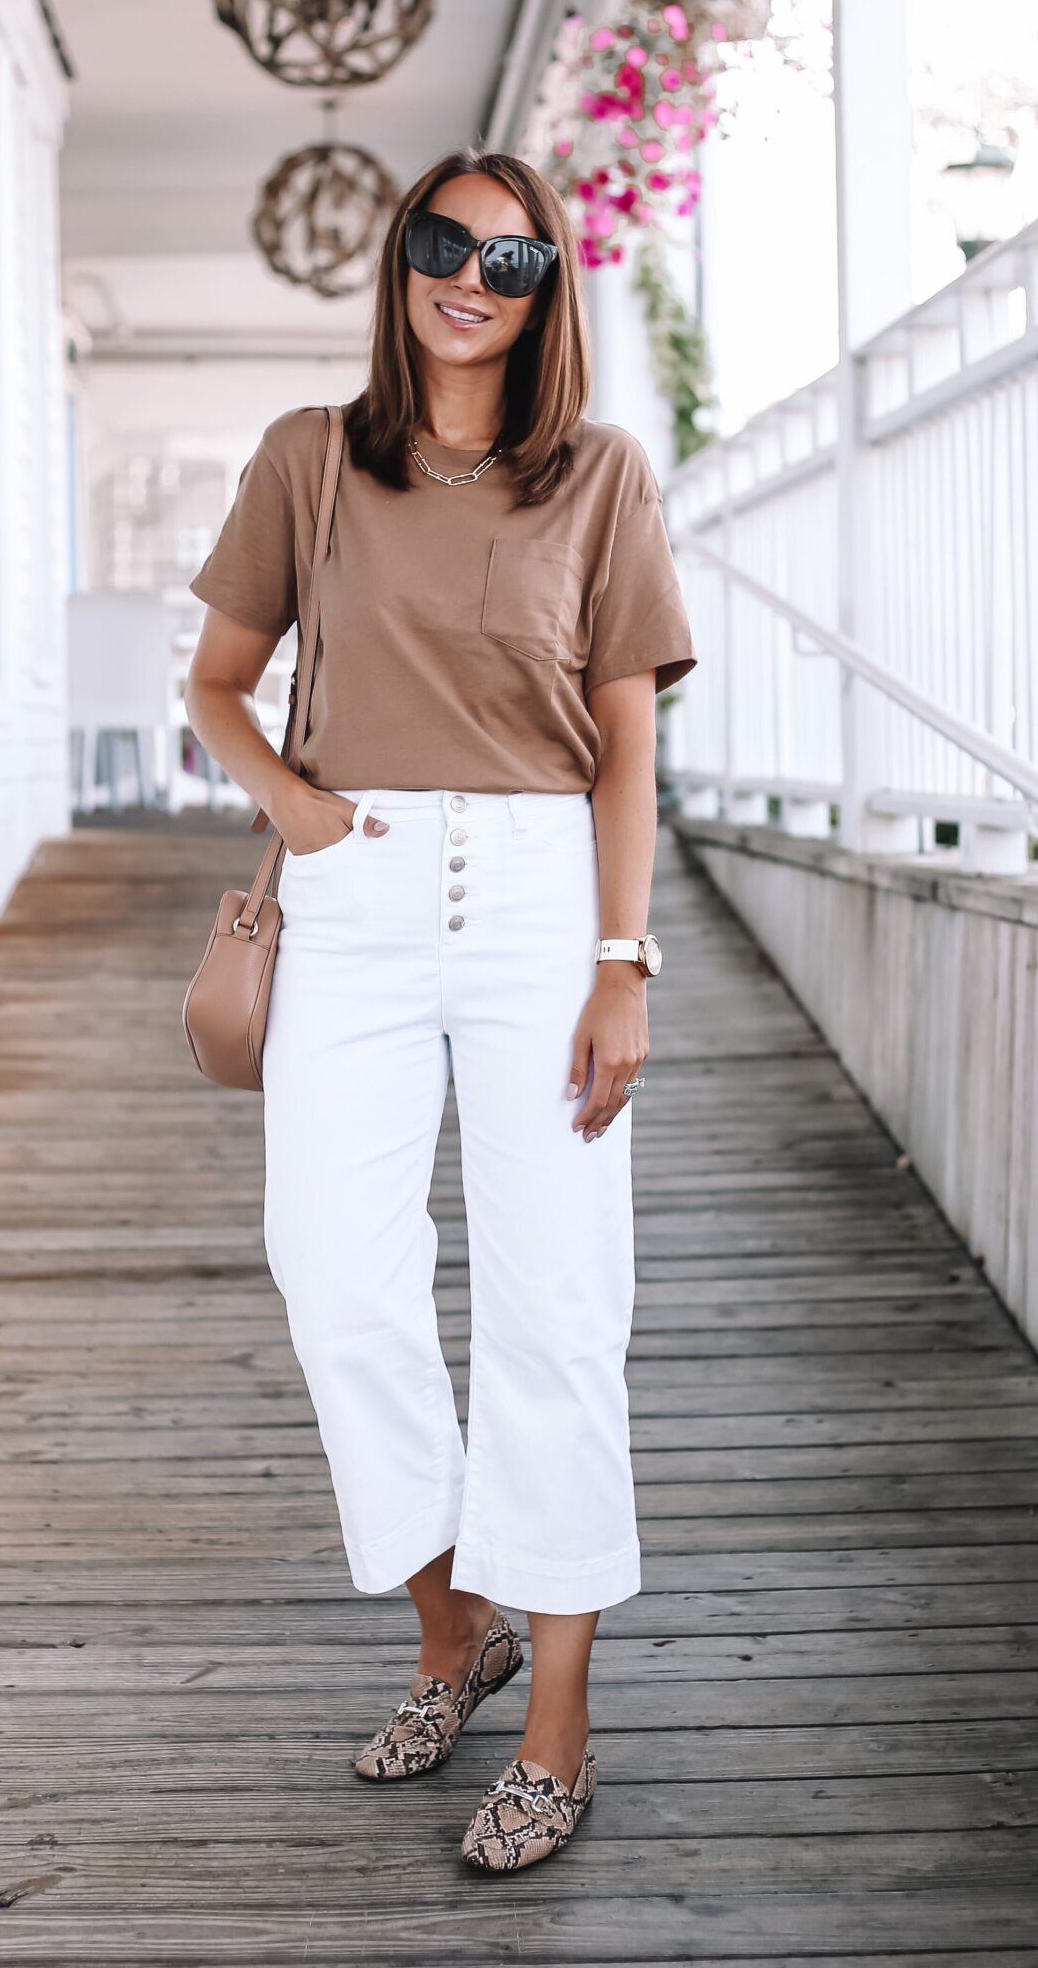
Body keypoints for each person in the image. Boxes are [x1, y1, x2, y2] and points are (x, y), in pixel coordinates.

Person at [186, 146, 695, 1874]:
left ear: (550, 289)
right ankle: (449, 1626)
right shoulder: (311, 460)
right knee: (335, 1273)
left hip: (547, 903)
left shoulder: (601, 477)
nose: (472, 276)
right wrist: (312, 815)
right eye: (442, 242)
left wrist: (624, 964)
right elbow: (212, 681)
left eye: (514, 256)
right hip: (356, 895)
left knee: (556, 1308)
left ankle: (558, 1725)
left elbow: (627, 744)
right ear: (398, 258)